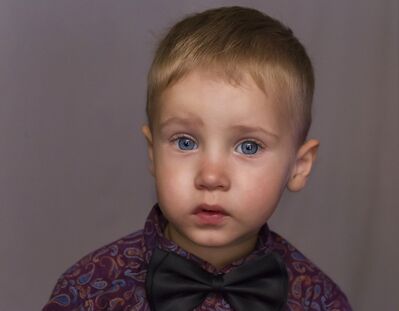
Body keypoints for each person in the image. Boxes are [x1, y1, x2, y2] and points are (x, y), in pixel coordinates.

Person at [42, 6, 352, 311]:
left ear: (299, 167)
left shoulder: (319, 300)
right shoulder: (89, 290)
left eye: (248, 147)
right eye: (186, 142)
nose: (211, 176)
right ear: (153, 152)